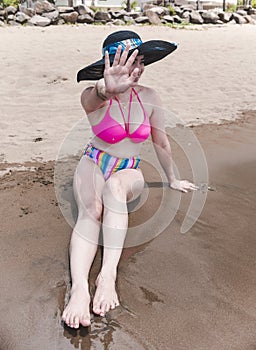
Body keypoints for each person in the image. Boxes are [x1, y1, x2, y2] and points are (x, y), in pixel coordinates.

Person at [62, 30, 197, 329]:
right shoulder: (95, 95)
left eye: (140, 61)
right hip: (94, 161)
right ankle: (80, 289)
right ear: (109, 65)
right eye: (127, 63)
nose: (136, 69)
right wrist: (105, 90)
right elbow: (91, 97)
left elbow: (161, 143)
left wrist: (172, 178)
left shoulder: (150, 97)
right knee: (91, 211)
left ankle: (108, 273)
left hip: (128, 168)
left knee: (115, 190)